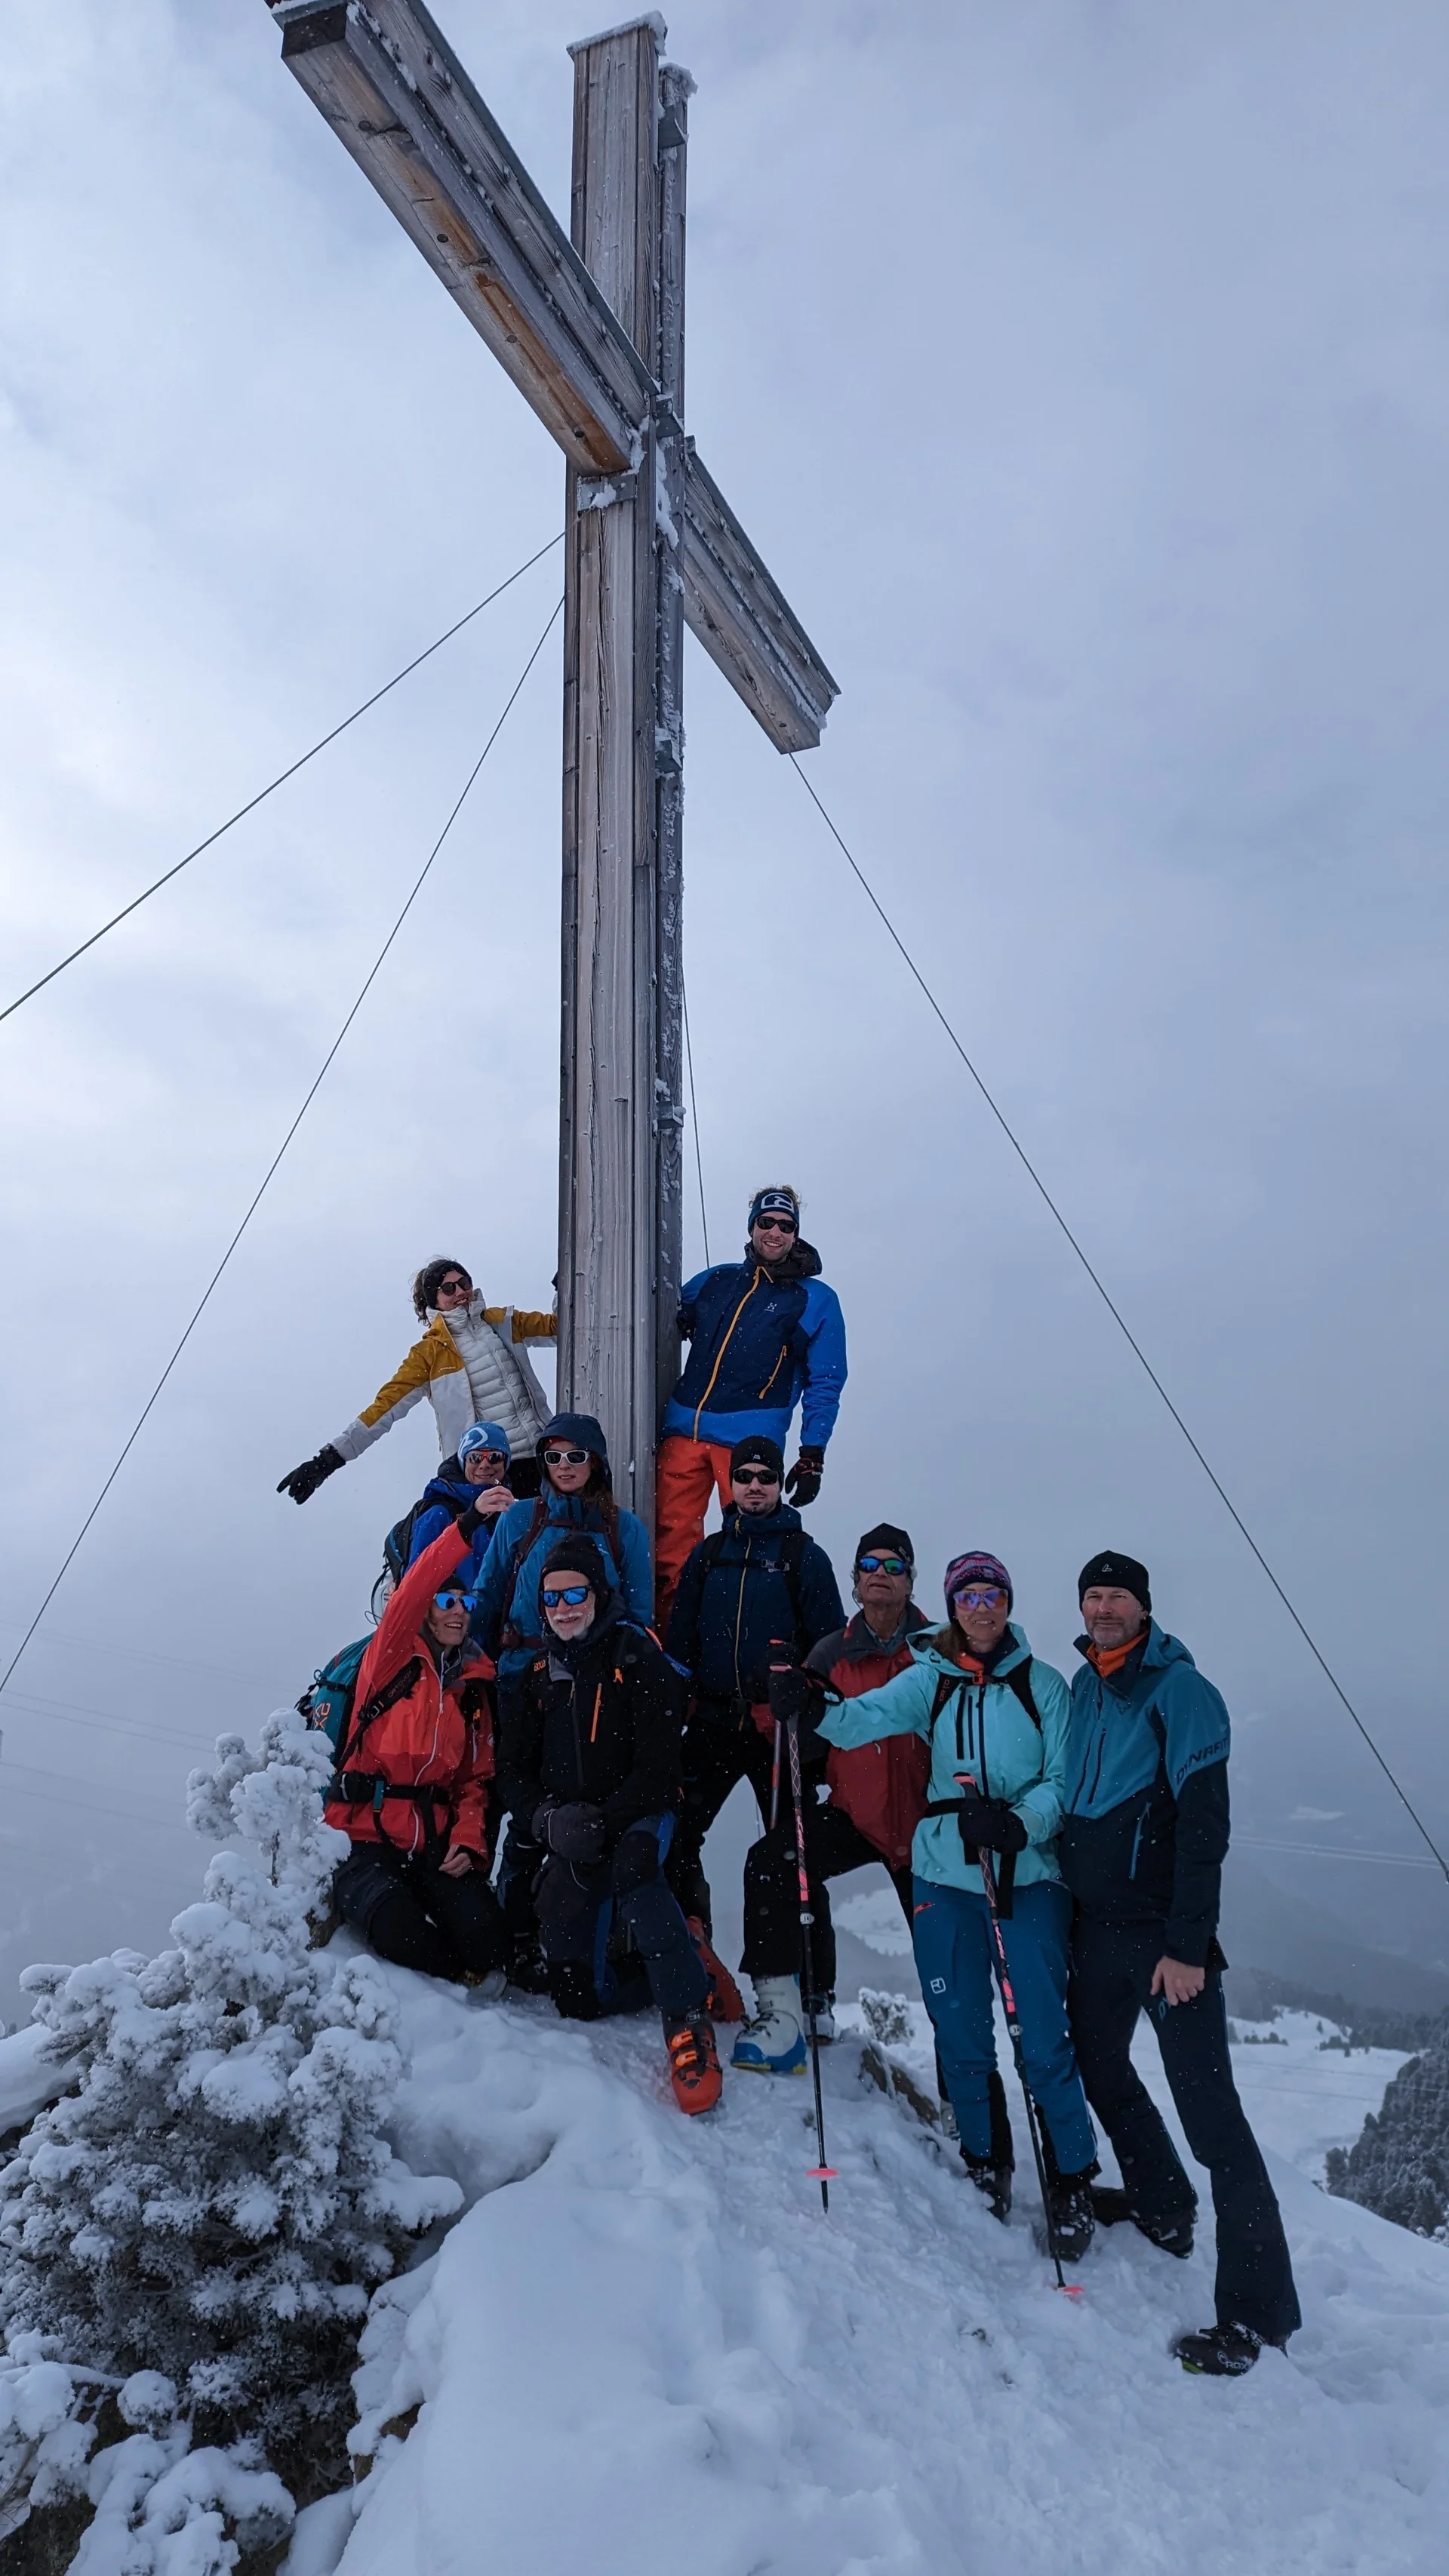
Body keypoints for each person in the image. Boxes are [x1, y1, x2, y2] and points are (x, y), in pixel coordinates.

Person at [808, 1550, 1099, 2259]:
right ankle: (983, 2160)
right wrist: (809, 1704)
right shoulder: (930, 1678)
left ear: (1007, 1602)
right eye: (967, 1595)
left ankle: (1070, 2176)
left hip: (1026, 1874)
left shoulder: (1043, 1685)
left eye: (991, 1593)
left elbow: (1061, 1781)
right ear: (952, 1605)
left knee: (1042, 2033)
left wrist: (1020, 1822)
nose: (980, 1606)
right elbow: (857, 1722)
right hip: (945, 1874)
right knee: (960, 2031)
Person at [1061, 1551, 1301, 2375]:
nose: (1102, 1607)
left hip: (1166, 1943)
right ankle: (1164, 2206)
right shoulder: (1086, 1682)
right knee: (1097, 2065)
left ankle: (1258, 2316)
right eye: (1092, 1594)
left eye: (1115, 1595)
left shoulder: (1183, 1692)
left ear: (1143, 1605)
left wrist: (1187, 1946)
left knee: (1216, 2124)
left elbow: (1205, 1830)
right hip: (1097, 1929)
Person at [496, 1537, 724, 2112]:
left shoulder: (637, 1658)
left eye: (576, 1592)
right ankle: (681, 1954)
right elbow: (511, 1775)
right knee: (577, 1997)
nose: (565, 1606)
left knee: (636, 1870)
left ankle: (688, 2017)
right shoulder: (536, 1676)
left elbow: (659, 1768)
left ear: (600, 1594)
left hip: (640, 1815)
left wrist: (603, 1820)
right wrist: (549, 1822)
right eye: (552, 1597)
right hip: (570, 1830)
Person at [663, 1433, 843, 1941]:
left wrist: (809, 1706)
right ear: (732, 1482)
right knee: (675, 1831)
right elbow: (682, 1642)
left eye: (766, 1476)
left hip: (778, 1729)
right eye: (744, 1475)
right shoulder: (709, 1554)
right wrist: (672, 1710)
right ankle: (689, 1946)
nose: (755, 1485)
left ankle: (811, 1984)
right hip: (714, 1720)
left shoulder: (804, 1556)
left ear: (779, 1484)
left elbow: (831, 1649)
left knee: (795, 1850)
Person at [327, 1509, 505, 1985]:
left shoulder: (472, 1687)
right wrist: (466, 1528)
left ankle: (461, 1957)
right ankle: (450, 1977)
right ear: (426, 1606)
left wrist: (468, 1840)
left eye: (465, 1602)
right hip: (360, 1838)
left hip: (431, 1845)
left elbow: (474, 1781)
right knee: (397, 1927)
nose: (457, 1609)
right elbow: (409, 1592)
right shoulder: (390, 1660)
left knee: (488, 1937)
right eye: (445, 1599)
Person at [654, 1186, 847, 1623]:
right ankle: (674, 1647)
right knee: (670, 1548)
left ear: (796, 1233)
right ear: (752, 1227)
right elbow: (654, 1309)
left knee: (750, 1547)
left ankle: (741, 1649)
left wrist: (812, 1452)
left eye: (786, 1225)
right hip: (684, 1428)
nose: (775, 1232)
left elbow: (827, 1379)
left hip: (748, 1440)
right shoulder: (717, 1280)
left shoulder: (815, 1299)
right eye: (767, 1222)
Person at [277, 1257, 555, 1507]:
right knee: (515, 1554)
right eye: (448, 1289)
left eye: (464, 1283)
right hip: (489, 1471)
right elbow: (383, 1410)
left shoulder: (504, 1322)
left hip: (544, 1456)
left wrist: (565, 1283)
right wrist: (328, 1460)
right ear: (433, 1301)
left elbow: (562, 1328)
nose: (460, 1293)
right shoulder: (429, 1354)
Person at [403, 1420, 517, 1565]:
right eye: (475, 1458)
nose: (484, 1465)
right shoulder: (440, 1513)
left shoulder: (514, 1511)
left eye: (494, 1457)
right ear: (463, 1462)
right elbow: (417, 1579)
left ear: (505, 1462)